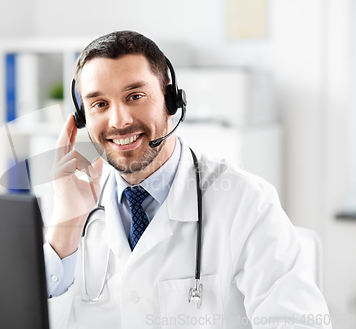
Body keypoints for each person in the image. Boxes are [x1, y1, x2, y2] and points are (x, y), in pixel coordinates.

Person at [43, 31, 331, 329]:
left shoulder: (247, 202)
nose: (119, 120)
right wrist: (67, 223)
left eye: (135, 96)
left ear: (170, 99)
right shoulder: (75, 209)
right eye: (99, 104)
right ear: (82, 117)